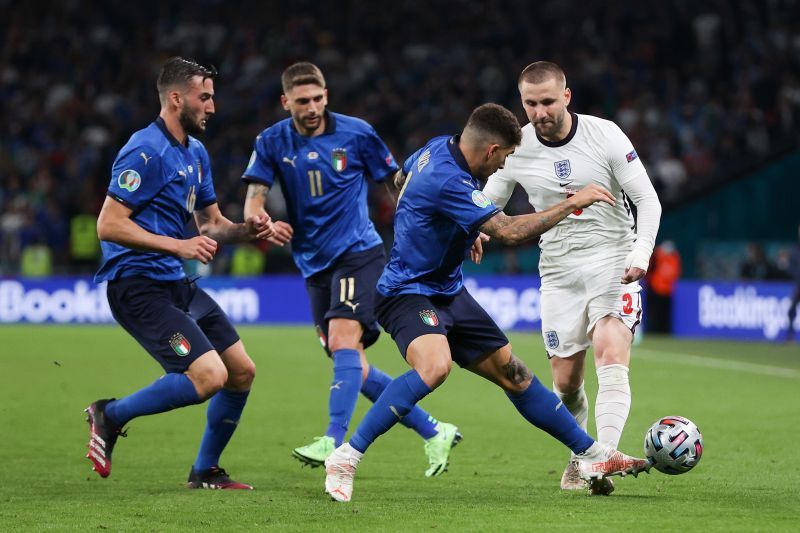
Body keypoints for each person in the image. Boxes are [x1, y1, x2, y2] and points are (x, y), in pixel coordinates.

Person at [323, 103, 650, 503]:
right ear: (492, 150)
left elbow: (400, 178)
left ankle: (593, 455)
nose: (502, 168)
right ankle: (346, 457)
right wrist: (570, 202)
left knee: (515, 374)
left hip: (447, 291)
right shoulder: (451, 181)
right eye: (506, 158)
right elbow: (509, 231)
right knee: (435, 366)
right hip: (407, 292)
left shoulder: (435, 147)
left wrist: (454, 223)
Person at [242, 62, 461, 477]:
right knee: (351, 363)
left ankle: (333, 440)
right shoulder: (271, 141)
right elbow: (255, 197)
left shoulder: (356, 133)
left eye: (318, 99)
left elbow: (395, 182)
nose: (311, 107)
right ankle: (435, 429)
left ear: (327, 95)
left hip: (358, 252)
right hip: (312, 264)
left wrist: (436, 217)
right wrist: (261, 221)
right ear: (285, 101)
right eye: (302, 101)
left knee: (344, 339)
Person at [85, 57, 275, 490]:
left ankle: (204, 470)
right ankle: (108, 415)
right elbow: (108, 224)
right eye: (204, 97)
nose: (212, 106)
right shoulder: (144, 150)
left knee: (241, 371)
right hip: (138, 286)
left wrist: (250, 230)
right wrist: (179, 245)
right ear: (176, 98)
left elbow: (210, 225)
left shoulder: (196, 152)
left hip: (176, 283)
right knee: (209, 376)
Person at [482, 61, 663, 495]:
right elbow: (490, 201)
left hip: (613, 258)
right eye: (530, 103)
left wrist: (640, 253)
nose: (539, 111)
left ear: (566, 97)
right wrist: (469, 229)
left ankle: (603, 459)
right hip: (558, 270)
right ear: (521, 102)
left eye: (547, 101)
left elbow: (647, 199)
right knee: (565, 382)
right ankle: (580, 456)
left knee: (610, 346)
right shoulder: (516, 146)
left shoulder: (605, 134)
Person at [647, 241, 682, 333]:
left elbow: (676, 273)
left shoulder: (673, 259)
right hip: (655, 289)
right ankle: (652, 331)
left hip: (667, 291)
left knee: (664, 314)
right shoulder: (656, 256)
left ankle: (664, 331)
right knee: (654, 313)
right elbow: (650, 270)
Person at [786, 225, 800, 341]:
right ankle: (790, 334)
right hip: (799, 285)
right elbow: (790, 268)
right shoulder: (795, 250)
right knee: (792, 309)